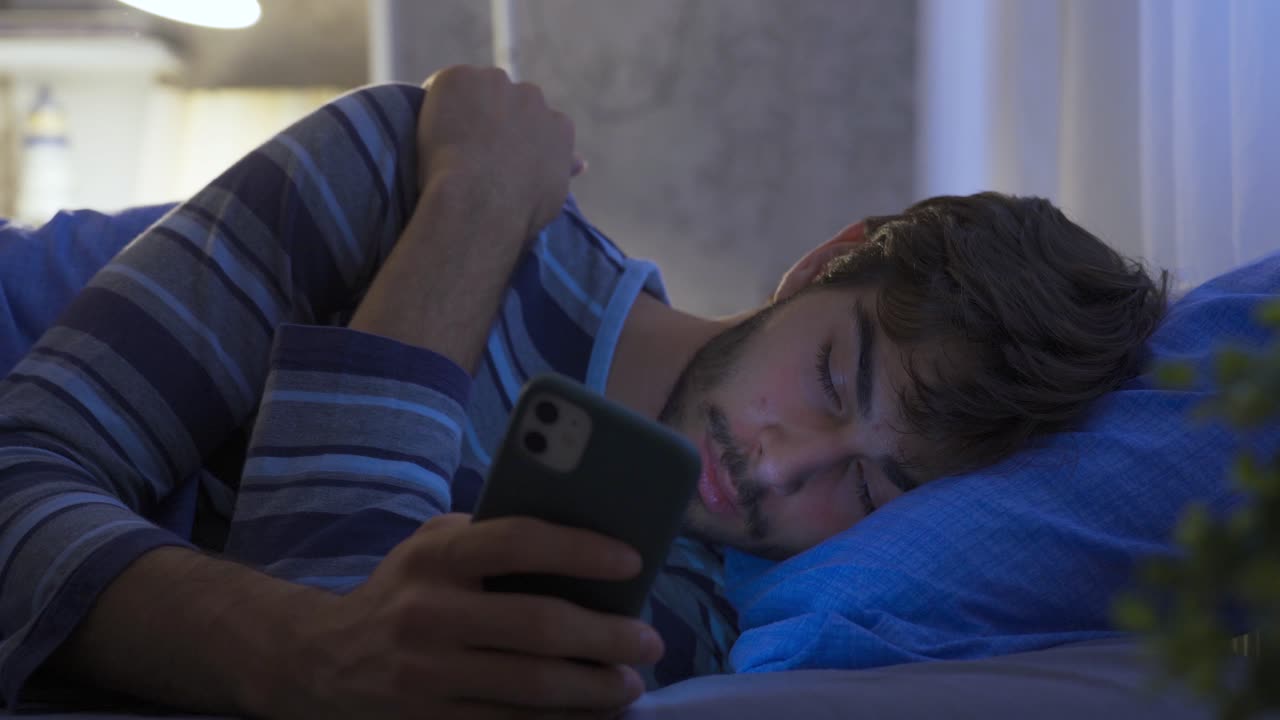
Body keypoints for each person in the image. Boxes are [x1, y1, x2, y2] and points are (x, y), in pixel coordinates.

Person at [0, 67, 1166, 719]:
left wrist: (468, 213)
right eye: (829, 377)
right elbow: (18, 475)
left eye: (867, 487)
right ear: (823, 261)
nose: (780, 464)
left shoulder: (694, 619)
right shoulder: (387, 162)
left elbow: (341, 655)